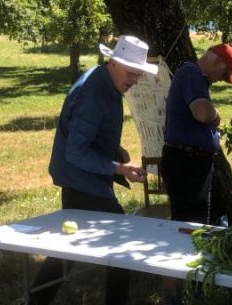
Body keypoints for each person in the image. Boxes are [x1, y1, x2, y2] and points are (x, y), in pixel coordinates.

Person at [29, 35, 158, 305]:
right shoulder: (92, 93)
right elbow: (75, 152)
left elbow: (89, 135)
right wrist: (119, 167)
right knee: (122, 246)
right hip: (81, 181)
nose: (134, 80)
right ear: (113, 62)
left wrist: (114, 149)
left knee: (68, 252)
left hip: (84, 179)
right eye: (131, 72)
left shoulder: (105, 80)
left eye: (138, 74)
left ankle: (35, 300)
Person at [159, 43, 232, 304]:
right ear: (217, 63)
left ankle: (184, 289)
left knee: (191, 226)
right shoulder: (193, 74)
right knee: (186, 230)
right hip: (186, 163)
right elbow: (202, 112)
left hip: (192, 161)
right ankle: (174, 293)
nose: (218, 80)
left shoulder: (194, 76)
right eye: (222, 74)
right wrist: (216, 115)